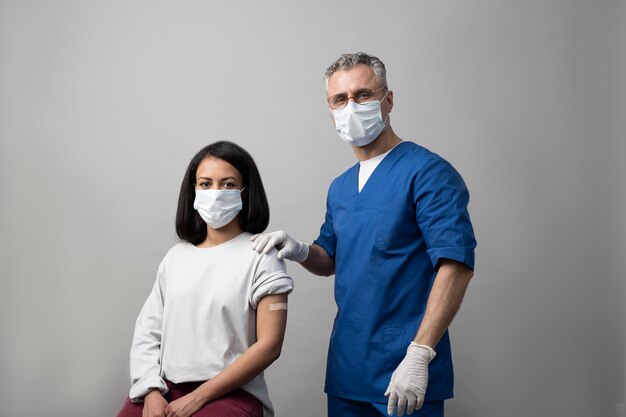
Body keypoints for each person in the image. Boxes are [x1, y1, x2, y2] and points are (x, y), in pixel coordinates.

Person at [251, 52, 476, 417]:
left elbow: (456, 264)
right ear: (330, 110)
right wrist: (299, 250)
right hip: (349, 366)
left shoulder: (428, 172)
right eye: (340, 99)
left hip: (405, 366)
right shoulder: (340, 188)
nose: (351, 105)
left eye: (363, 95)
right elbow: (332, 260)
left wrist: (420, 354)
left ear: (388, 100)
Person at [116, 141, 294, 417]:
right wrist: (150, 390)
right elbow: (147, 332)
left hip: (231, 392)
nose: (215, 193)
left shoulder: (262, 255)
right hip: (165, 387)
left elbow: (269, 346)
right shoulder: (175, 258)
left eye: (228, 184)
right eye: (205, 183)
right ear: (194, 191)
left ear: (246, 193)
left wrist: (198, 398)